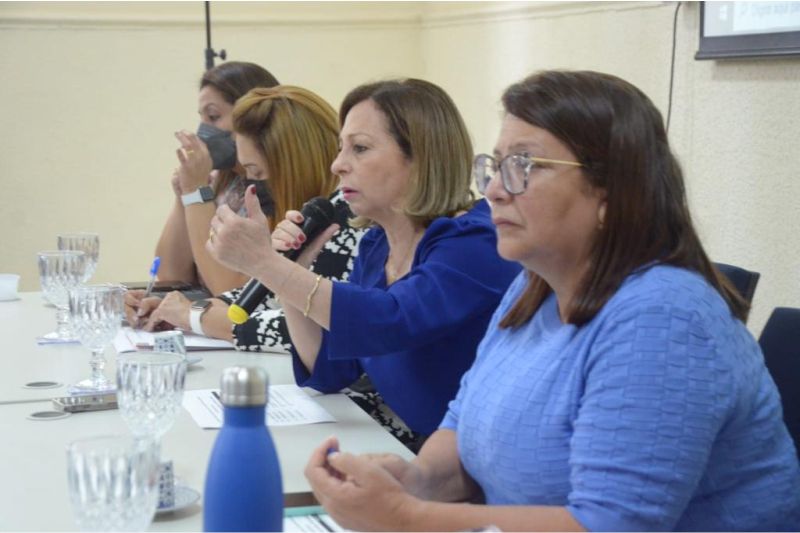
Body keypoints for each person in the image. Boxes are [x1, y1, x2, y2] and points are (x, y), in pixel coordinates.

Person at [302, 70, 800, 531]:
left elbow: (611, 525)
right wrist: (415, 481)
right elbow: (464, 423)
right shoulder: (532, 285)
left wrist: (408, 516)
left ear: (609, 193)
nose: (494, 190)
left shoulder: (663, 317)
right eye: (495, 166)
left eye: (524, 165)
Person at [206, 79, 521, 450]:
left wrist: (269, 266)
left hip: (474, 459)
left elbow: (390, 320)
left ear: (421, 157)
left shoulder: (476, 242)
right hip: (414, 451)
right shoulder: (377, 245)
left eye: (360, 148)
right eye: (341, 148)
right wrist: (289, 272)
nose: (338, 165)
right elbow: (332, 370)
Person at [125, 85, 364, 354]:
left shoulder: (350, 217)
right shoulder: (313, 213)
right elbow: (261, 295)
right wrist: (181, 309)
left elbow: (319, 324)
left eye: (256, 172)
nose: (250, 183)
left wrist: (196, 318)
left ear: (291, 167)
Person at [155, 61, 280, 295]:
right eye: (202, 118)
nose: (202, 132)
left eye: (213, 116)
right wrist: (184, 194)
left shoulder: (272, 187)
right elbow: (170, 277)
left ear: (254, 118)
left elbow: (229, 289)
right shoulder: (217, 181)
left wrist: (195, 192)